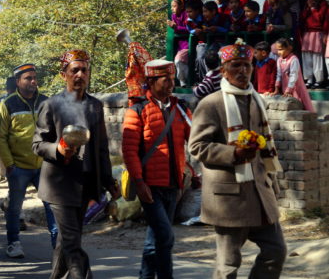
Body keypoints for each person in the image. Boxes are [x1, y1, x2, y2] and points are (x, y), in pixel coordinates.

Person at [189, 39, 286, 278]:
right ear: (223, 70)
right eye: (235, 65)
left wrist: (273, 183)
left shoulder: (257, 100)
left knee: (276, 252)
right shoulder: (211, 104)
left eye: (246, 65)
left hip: (260, 194)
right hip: (229, 198)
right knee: (228, 265)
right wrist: (233, 153)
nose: (242, 71)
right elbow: (197, 146)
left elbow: (265, 146)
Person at [33, 49, 118, 279]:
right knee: (72, 243)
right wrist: (58, 150)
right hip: (59, 185)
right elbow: (38, 143)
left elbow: (101, 147)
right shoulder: (52, 105)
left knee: (67, 240)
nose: (80, 74)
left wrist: (109, 182)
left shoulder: (95, 106)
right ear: (64, 75)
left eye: (84, 70)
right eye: (74, 70)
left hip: (86, 183)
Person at [122, 59, 192, 279]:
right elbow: (129, 151)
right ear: (151, 81)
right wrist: (139, 182)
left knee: (155, 240)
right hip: (150, 185)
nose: (172, 83)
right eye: (166, 79)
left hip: (174, 183)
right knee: (165, 236)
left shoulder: (180, 108)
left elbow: (194, 138)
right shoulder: (137, 110)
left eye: (172, 78)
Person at [0, 63, 57, 258]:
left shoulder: (46, 102)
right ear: (18, 82)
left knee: (52, 206)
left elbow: (56, 131)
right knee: (14, 207)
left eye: (34, 78)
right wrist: (9, 164)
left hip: (44, 165)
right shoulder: (8, 104)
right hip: (18, 166)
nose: (33, 81)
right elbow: (0, 136)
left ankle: (58, 246)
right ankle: (13, 243)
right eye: (28, 78)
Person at [271, 38, 314, 112]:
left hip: (296, 87)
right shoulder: (279, 60)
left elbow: (293, 76)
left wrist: (289, 90)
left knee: (300, 105)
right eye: (278, 50)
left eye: (281, 49)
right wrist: (277, 88)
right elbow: (279, 75)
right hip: (285, 87)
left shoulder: (294, 59)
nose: (279, 52)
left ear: (289, 48)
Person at [301, 0, 329, 88]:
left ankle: (319, 79)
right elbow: (302, 18)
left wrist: (312, 8)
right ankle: (309, 78)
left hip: (318, 33)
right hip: (308, 33)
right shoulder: (307, 5)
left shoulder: (323, 5)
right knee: (307, 57)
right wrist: (308, 7)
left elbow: (321, 18)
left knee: (317, 57)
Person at [167, 0, 189, 87]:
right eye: (171, 6)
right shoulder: (173, 16)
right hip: (180, 46)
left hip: (188, 44)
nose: (172, 9)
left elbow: (189, 29)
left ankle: (184, 81)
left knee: (178, 61)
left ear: (181, 7)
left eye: (174, 6)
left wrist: (176, 27)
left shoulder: (186, 15)